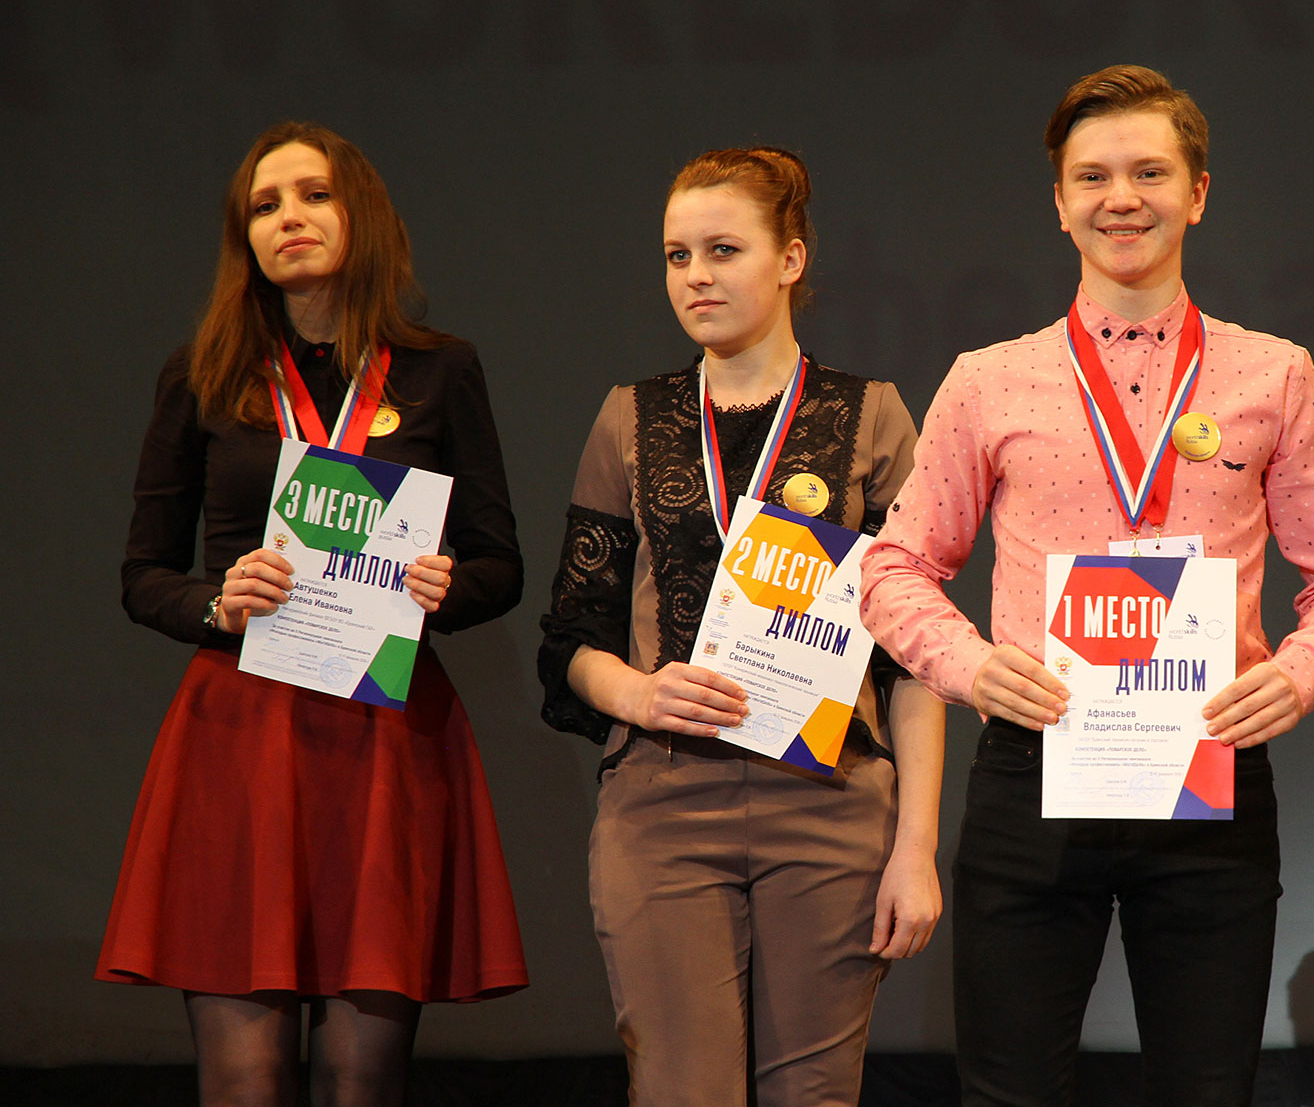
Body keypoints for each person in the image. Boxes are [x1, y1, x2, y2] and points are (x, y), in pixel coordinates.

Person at [860, 65, 1314, 1106]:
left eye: (1150, 172)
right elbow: (893, 564)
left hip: (1209, 774)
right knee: (1009, 1094)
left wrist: (1299, 675)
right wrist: (971, 668)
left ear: (1198, 192)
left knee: (1207, 1091)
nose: (1122, 198)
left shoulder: (1274, 374)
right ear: (1059, 203)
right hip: (1035, 767)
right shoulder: (988, 379)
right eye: (1093, 177)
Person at [99, 122, 528, 1107]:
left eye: (314, 195)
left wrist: (449, 587)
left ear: (361, 214)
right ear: (244, 238)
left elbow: (499, 565)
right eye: (264, 205)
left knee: (359, 1082)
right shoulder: (201, 372)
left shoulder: (440, 370)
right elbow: (143, 574)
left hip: (386, 739)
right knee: (245, 1083)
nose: (288, 217)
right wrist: (218, 601)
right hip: (242, 735)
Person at [537, 146, 944, 1107]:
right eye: (677, 256)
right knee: (682, 1091)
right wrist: (639, 692)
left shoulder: (871, 415)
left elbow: (915, 656)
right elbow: (571, 637)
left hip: (830, 796)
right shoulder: (631, 417)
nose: (696, 276)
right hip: (665, 796)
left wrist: (917, 846)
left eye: (723, 250)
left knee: (814, 1096)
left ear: (791, 259)